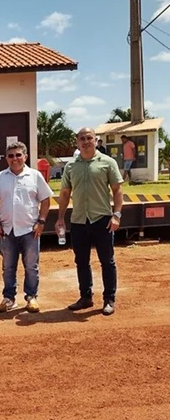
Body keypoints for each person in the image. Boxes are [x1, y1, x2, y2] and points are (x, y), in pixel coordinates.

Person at [56, 127, 123, 316]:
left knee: (107, 261)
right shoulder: (71, 166)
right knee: (81, 261)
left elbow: (117, 190)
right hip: (78, 220)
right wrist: (60, 218)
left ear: (96, 140)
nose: (86, 141)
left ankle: (109, 299)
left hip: (102, 219)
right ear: (77, 142)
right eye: (82, 138)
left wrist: (116, 215)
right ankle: (86, 297)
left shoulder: (107, 162)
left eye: (89, 138)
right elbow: (64, 193)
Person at [0, 142, 53, 313]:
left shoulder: (35, 176)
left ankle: (31, 297)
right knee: (8, 267)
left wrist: (41, 222)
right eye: (11, 156)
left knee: (31, 267)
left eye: (18, 155)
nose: (15, 159)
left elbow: (46, 200)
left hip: (30, 230)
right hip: (7, 231)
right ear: (6, 158)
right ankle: (9, 299)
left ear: (25, 156)